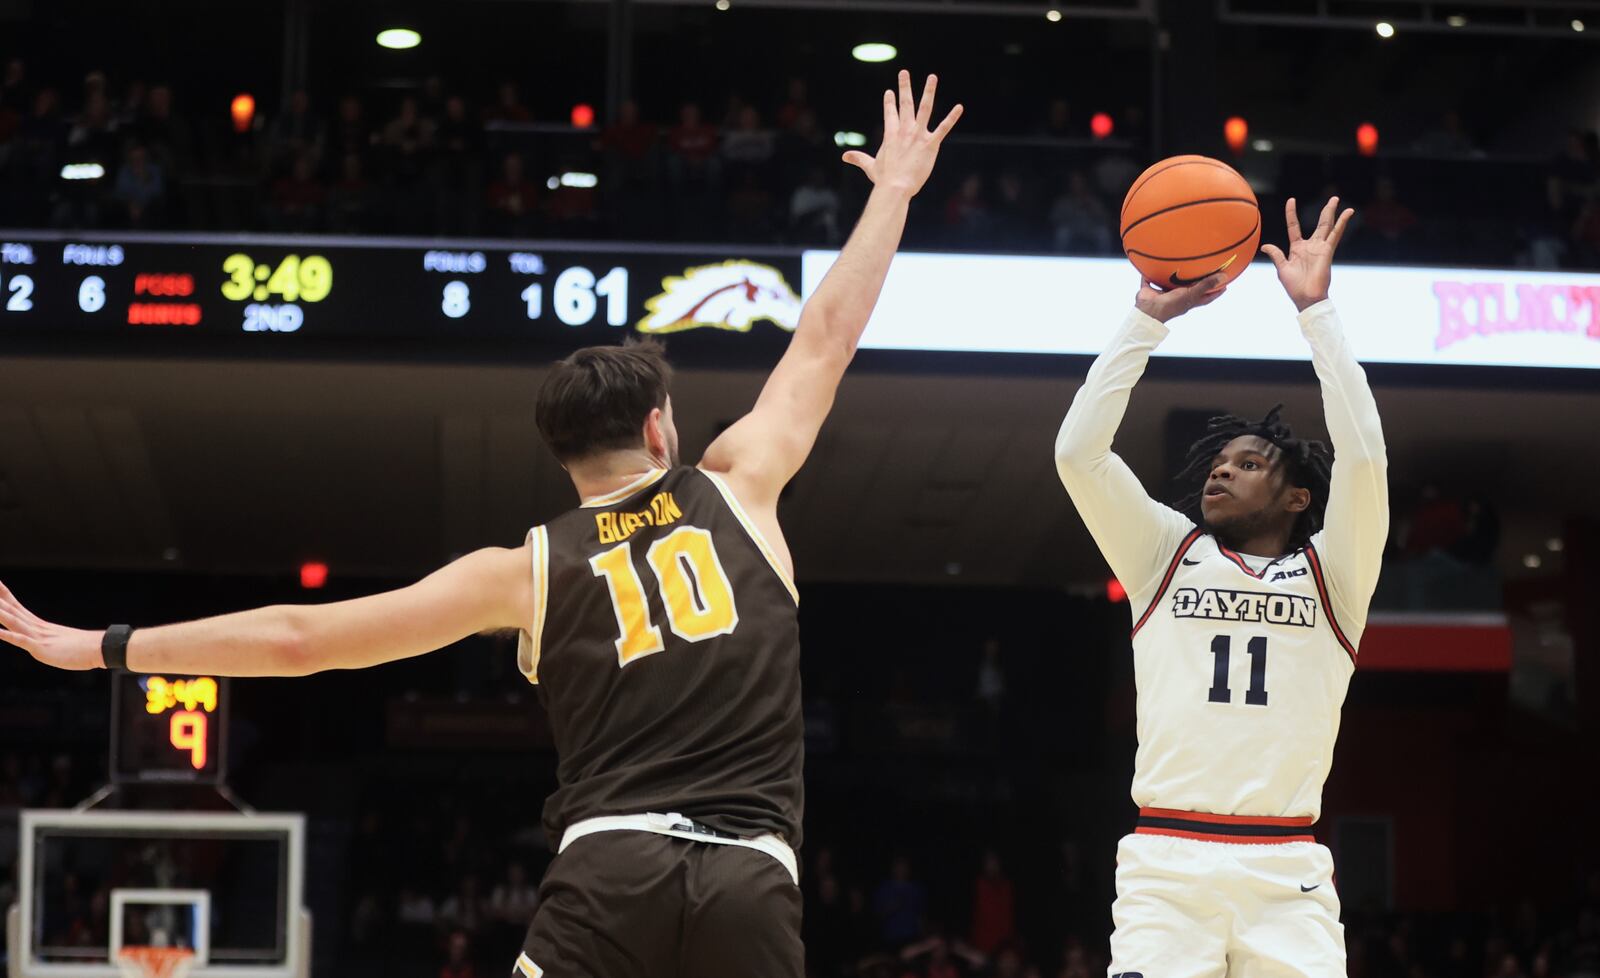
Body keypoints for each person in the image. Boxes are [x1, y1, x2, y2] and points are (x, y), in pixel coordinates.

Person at [0, 70, 962, 978]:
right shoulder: (743, 483)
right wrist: (896, 191)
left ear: (561, 459)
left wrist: (104, 647)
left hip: (610, 871)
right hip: (755, 879)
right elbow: (828, 333)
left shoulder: (527, 569)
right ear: (662, 428)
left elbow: (301, 640)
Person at [1054, 196, 1387, 977]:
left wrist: (1318, 316)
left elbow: (1365, 460)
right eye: (1217, 462)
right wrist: (1144, 322)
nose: (1221, 471)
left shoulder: (1335, 576)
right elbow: (1078, 454)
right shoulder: (1164, 553)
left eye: (1248, 463)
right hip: (1167, 865)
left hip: (1287, 871)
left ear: (1299, 498)